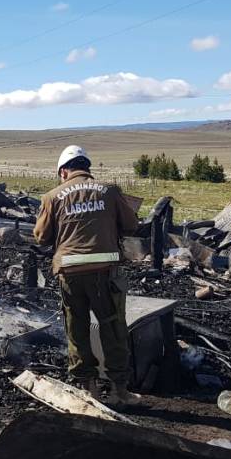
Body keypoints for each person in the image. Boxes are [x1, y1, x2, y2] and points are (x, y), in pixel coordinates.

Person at [34, 145, 141, 405]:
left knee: (77, 329)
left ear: (63, 172)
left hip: (70, 275)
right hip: (105, 274)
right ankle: (120, 392)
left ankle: (89, 390)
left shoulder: (52, 197)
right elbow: (131, 225)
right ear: (87, 168)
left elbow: (41, 237)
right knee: (113, 327)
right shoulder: (111, 191)